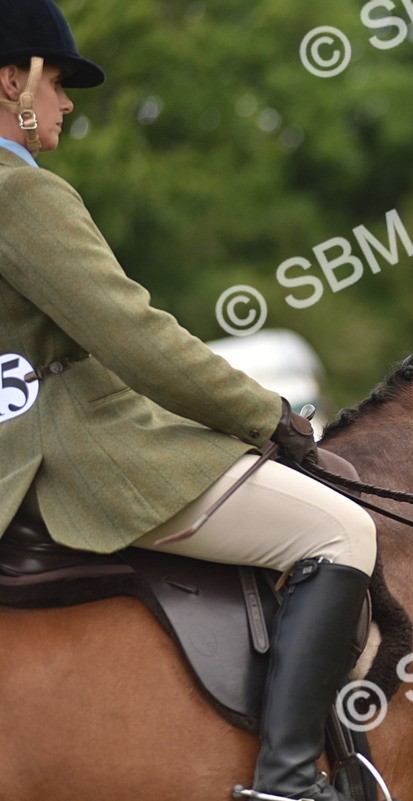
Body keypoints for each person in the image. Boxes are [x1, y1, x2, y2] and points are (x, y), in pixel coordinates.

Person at [0, 3, 377, 799]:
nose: (66, 104)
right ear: (12, 79)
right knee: (340, 528)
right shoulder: (23, 197)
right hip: (78, 453)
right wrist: (266, 414)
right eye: (59, 83)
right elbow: (134, 338)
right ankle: (286, 785)